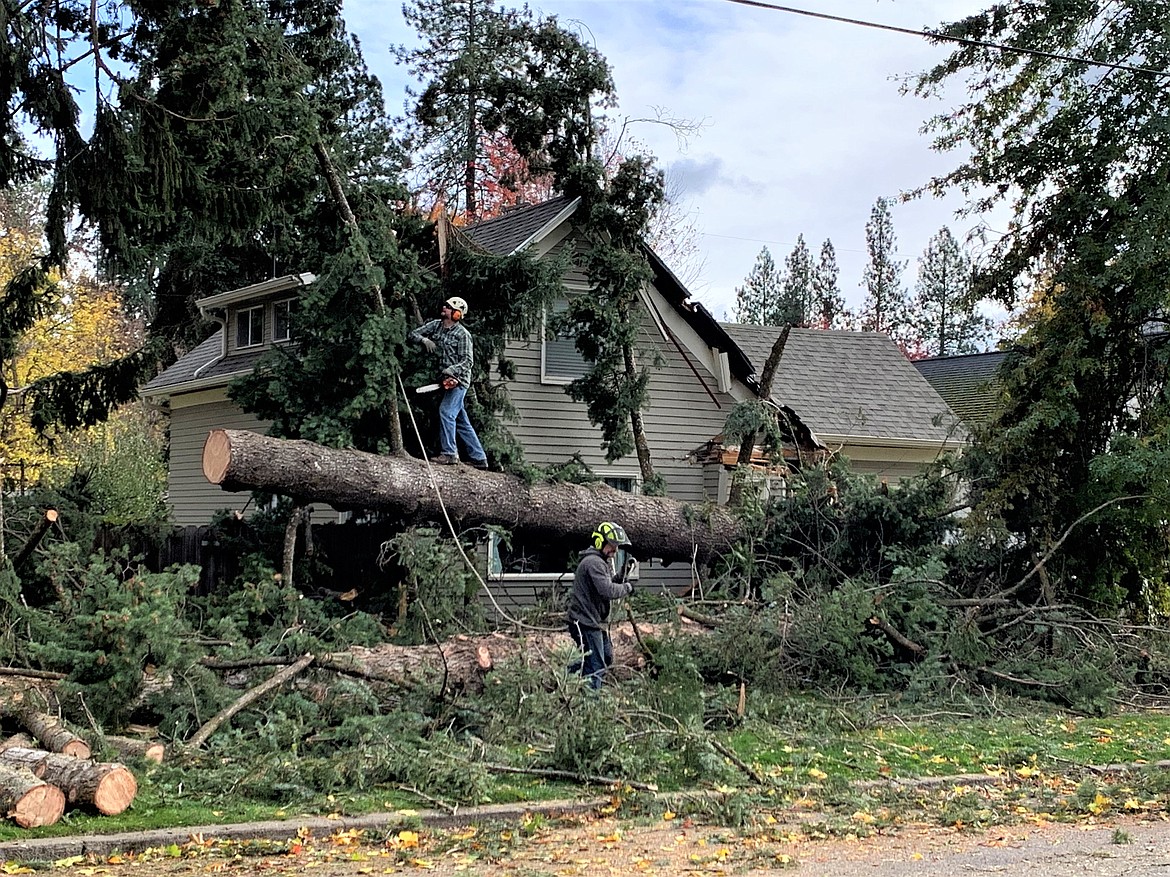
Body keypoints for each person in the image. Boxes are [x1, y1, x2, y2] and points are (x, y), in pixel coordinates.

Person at [409, 296, 489, 469]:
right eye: (445, 306)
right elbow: (413, 333)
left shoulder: (463, 335)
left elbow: (468, 362)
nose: (444, 308)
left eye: (448, 307)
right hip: (444, 378)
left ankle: (450, 454)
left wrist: (452, 371)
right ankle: (479, 457)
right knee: (460, 419)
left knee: (446, 411)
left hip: (459, 380)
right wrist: (424, 340)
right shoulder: (436, 325)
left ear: (457, 314)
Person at [567, 521, 636, 689]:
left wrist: (621, 575)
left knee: (605, 656)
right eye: (612, 546)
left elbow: (604, 586)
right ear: (600, 542)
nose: (615, 551)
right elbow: (607, 591)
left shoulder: (598, 562)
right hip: (585, 623)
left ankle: (567, 677)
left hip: (592, 622)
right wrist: (627, 587)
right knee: (596, 665)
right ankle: (591, 704)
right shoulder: (594, 563)